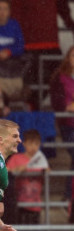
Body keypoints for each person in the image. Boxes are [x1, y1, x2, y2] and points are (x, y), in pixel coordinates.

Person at [6, 130, 49, 224]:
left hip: (35, 204)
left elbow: (48, 171)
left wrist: (45, 170)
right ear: (24, 144)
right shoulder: (16, 158)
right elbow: (6, 170)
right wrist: (18, 169)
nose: (33, 147)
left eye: (36, 144)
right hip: (19, 202)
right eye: (30, 143)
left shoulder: (41, 159)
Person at [49, 46, 74, 201]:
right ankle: (69, 197)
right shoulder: (60, 77)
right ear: (68, 58)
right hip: (69, 125)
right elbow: (59, 104)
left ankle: (68, 198)